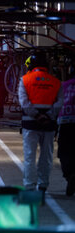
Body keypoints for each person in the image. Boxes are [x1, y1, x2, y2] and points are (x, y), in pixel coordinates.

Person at [18, 53, 63, 192]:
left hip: (30, 124)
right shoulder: (55, 82)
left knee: (30, 156)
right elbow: (59, 102)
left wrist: (36, 115)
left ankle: (29, 185)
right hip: (49, 125)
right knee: (46, 156)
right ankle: (43, 185)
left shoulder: (25, 80)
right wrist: (48, 115)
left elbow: (24, 103)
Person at [57, 64, 75, 196]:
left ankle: (69, 175)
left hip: (65, 123)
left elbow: (56, 103)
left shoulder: (64, 86)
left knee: (64, 153)